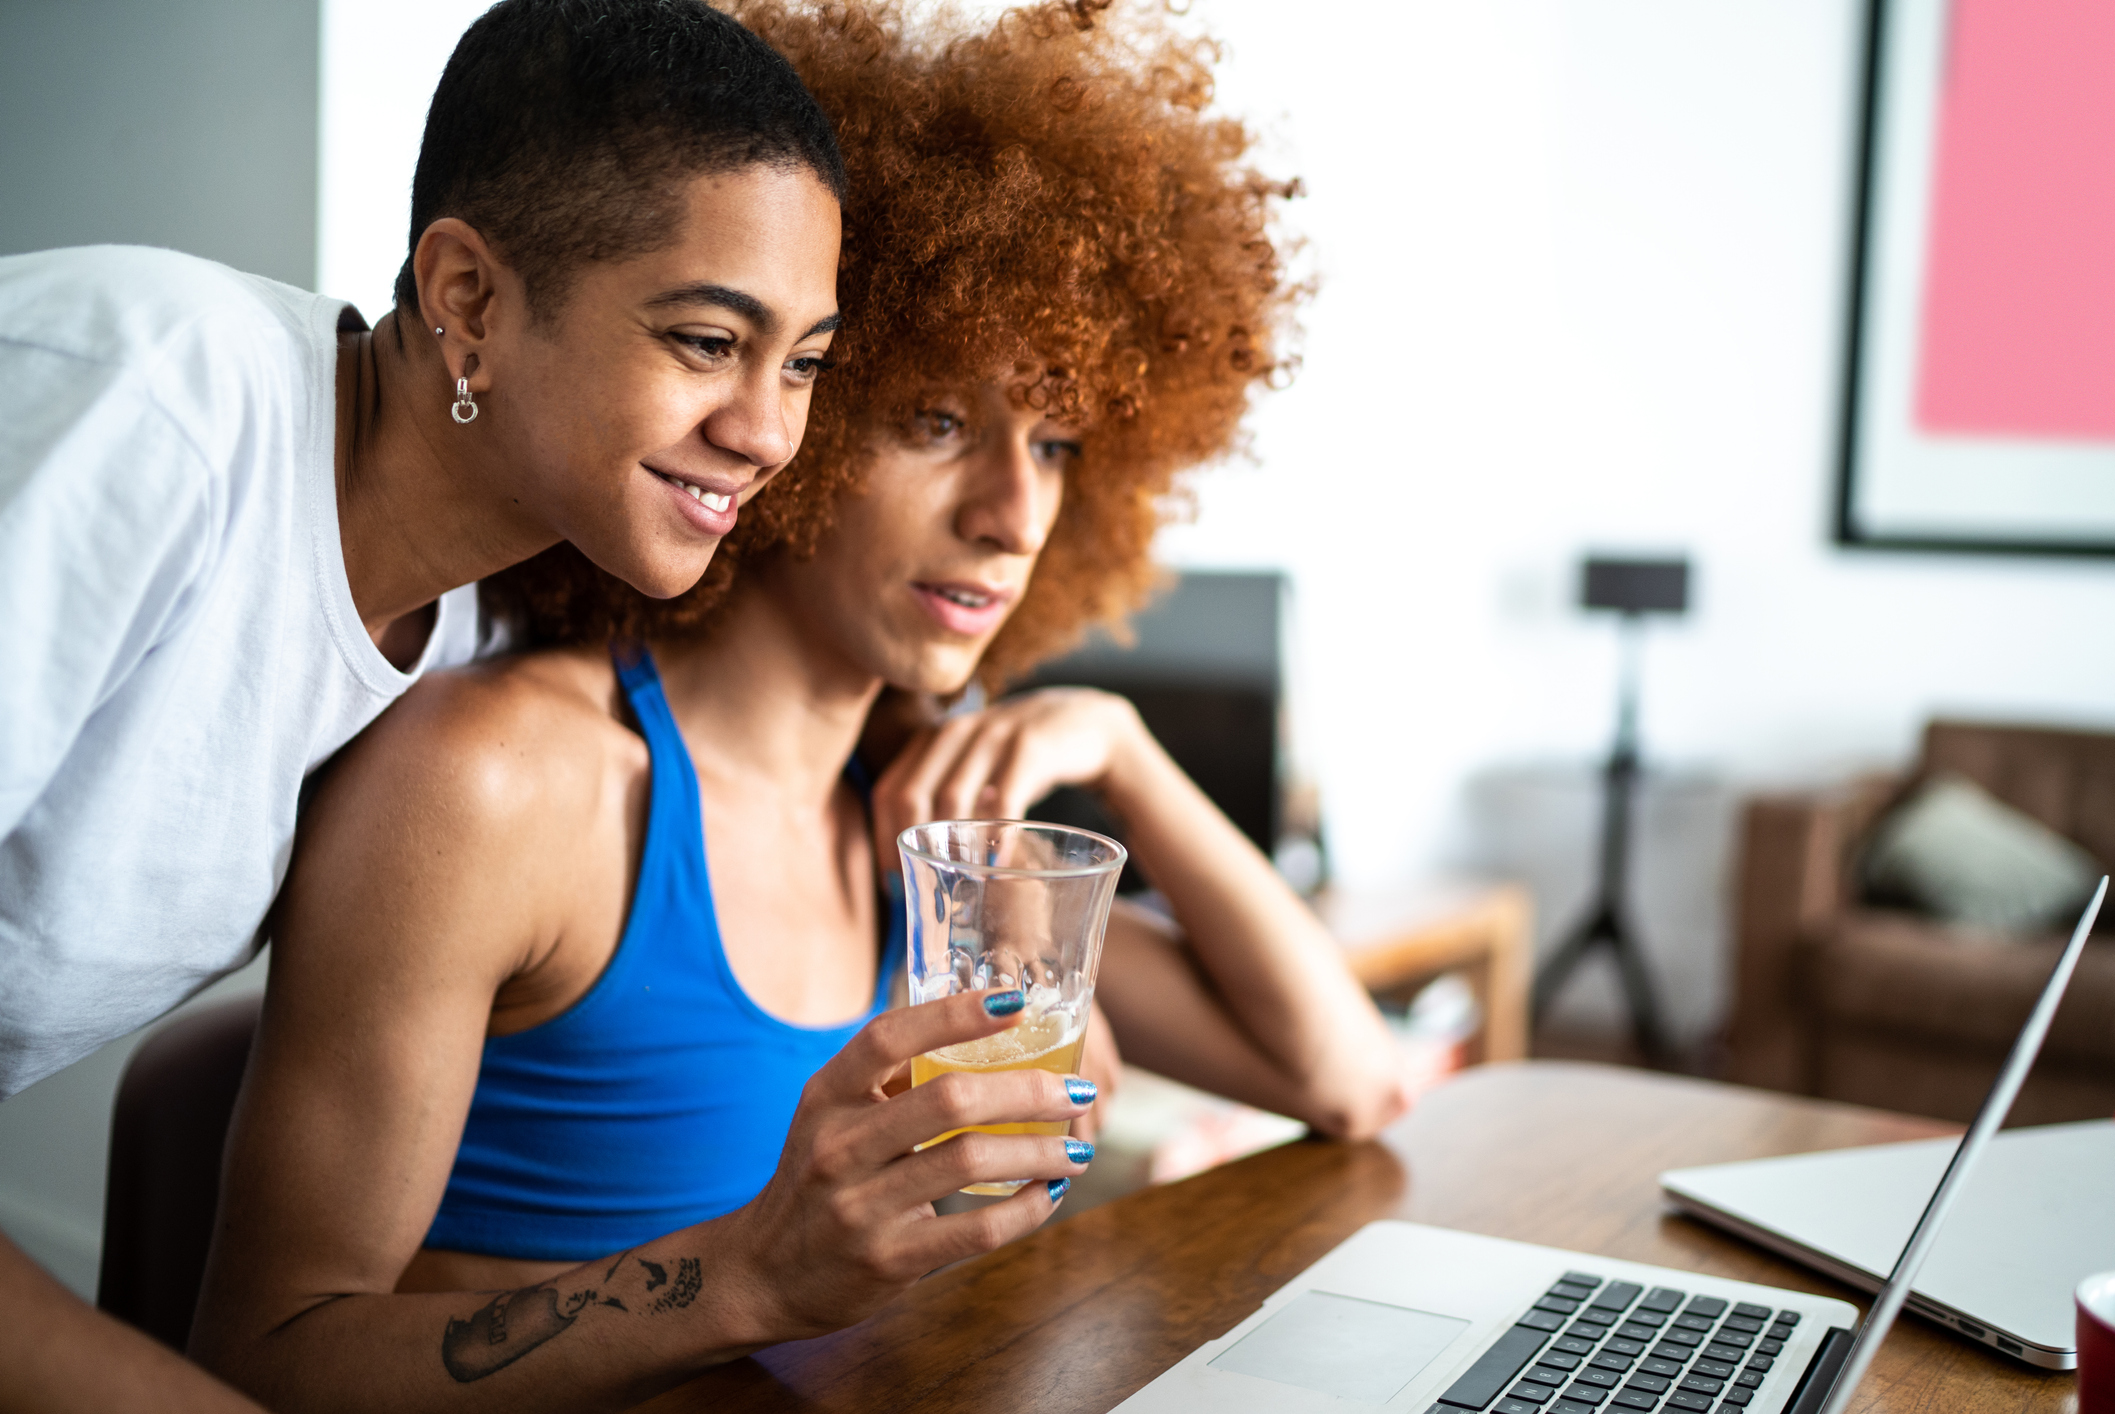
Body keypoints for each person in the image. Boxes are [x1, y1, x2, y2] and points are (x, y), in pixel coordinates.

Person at [189, 3, 1410, 1412]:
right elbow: (258, 1358)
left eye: (1059, 442)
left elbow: (1352, 1080)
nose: (1016, 515)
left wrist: (1122, 753)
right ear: (807, 418)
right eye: (937, 421)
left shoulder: (936, 835)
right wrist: (753, 1275)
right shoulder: (505, 782)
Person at [0, 2, 848, 1409]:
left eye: (804, 362)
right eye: (708, 339)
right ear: (466, 299)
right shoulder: (159, 404)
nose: (767, 430)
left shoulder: (469, 625)